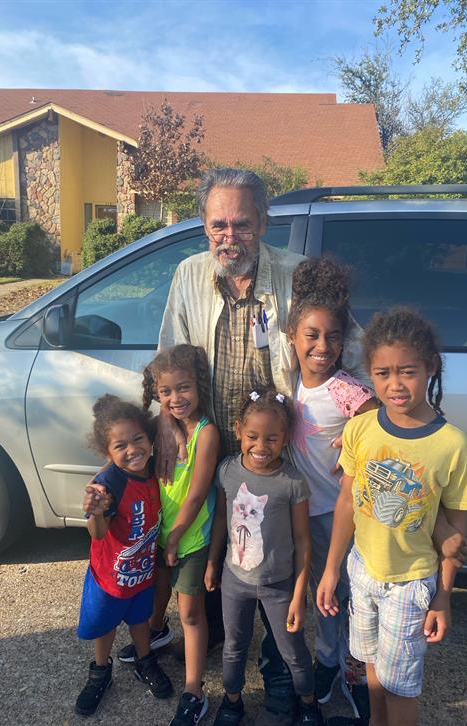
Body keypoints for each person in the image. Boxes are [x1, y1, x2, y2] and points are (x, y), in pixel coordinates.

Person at [157, 167, 366, 725]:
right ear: (204, 226)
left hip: (279, 461)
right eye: (218, 225)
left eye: (242, 225)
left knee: (277, 564)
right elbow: (169, 358)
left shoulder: (295, 276)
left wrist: (361, 410)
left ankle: (277, 666)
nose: (230, 237)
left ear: (264, 223)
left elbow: (352, 344)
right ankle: (222, 644)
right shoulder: (187, 275)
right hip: (214, 455)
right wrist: (170, 436)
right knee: (222, 556)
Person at [317, 308, 467, 726]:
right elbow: (348, 503)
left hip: (411, 584)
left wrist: (443, 596)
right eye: (382, 373)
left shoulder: (451, 444)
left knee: (400, 686)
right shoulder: (360, 429)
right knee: (371, 670)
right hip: (363, 571)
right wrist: (332, 570)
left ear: (430, 368)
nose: (395, 385)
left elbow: (456, 532)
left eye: (406, 371)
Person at [287, 258, 377, 720]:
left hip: (340, 514)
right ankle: (328, 660)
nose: (323, 346)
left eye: (334, 337)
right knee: (324, 594)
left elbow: (377, 415)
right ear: (292, 337)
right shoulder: (288, 384)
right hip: (306, 514)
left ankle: (351, 670)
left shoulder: (344, 388)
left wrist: (358, 434)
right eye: (312, 335)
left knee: (348, 594)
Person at [205, 388, 324, 726]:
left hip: (279, 586)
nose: (261, 446)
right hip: (234, 581)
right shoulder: (228, 471)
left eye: (271, 438)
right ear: (239, 430)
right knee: (234, 646)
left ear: (286, 439)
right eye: (253, 436)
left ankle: (309, 703)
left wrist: (300, 596)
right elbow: (220, 520)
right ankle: (232, 701)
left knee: (294, 653)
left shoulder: (291, 482)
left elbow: (303, 541)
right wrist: (214, 561)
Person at [118, 345, 220, 725]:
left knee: (191, 614)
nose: (176, 398)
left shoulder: (206, 435)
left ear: (199, 387)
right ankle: (157, 634)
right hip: (158, 534)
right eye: (166, 392)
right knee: (157, 594)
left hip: (189, 540)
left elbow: (196, 493)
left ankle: (195, 689)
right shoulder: (161, 427)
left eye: (184, 388)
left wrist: (176, 537)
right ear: (157, 394)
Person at [75, 394, 172, 717]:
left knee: (139, 619)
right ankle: (100, 671)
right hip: (110, 578)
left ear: (150, 437)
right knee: (105, 626)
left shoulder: (153, 471)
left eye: (138, 439)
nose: (132, 450)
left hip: (142, 574)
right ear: (107, 452)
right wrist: (97, 512)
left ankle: (145, 661)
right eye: (120, 446)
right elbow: (99, 533)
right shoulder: (109, 483)